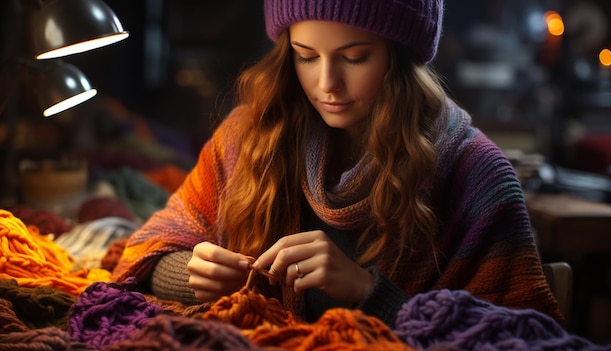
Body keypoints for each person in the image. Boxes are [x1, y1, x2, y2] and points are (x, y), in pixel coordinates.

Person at [111, 0, 563, 328]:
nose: (326, 83)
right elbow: (148, 248)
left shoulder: (474, 172)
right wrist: (189, 274)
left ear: (400, 57)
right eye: (306, 57)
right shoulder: (249, 135)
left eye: (354, 57)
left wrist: (370, 294)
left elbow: (520, 334)